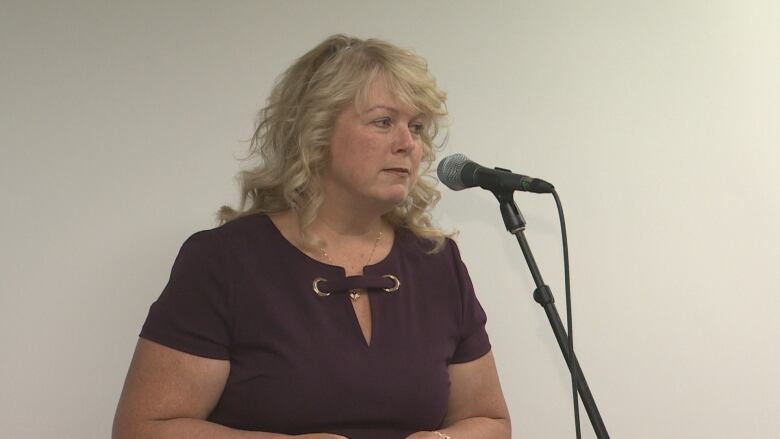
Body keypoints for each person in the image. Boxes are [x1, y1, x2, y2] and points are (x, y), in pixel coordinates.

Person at [113, 34, 510, 439]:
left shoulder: (436, 263)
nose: (408, 143)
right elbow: (142, 429)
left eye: (417, 127)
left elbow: (492, 422)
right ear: (315, 133)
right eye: (383, 122)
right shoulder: (225, 261)